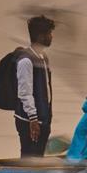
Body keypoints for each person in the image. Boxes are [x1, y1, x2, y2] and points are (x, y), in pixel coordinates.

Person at [15, 15, 54, 157]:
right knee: (28, 158)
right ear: (40, 36)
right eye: (49, 33)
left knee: (38, 158)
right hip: (29, 121)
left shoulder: (43, 57)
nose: (51, 37)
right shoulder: (26, 60)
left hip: (43, 118)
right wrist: (33, 119)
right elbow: (25, 93)